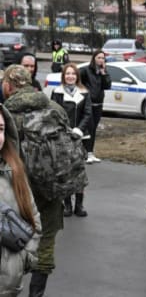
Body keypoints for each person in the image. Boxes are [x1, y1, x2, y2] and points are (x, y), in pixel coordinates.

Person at [2, 65, 70, 296]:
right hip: (52, 187)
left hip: (16, 188)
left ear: (9, 85)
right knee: (46, 243)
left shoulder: (7, 113)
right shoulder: (55, 108)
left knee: (10, 242)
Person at [0, 104, 42, 296]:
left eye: (0, 129)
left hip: (8, 287)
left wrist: (25, 258)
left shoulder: (14, 171)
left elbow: (33, 219)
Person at [51, 63, 92, 217]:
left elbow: (88, 114)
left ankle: (79, 205)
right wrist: (65, 131)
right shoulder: (57, 93)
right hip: (63, 137)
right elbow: (53, 114)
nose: (70, 76)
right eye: (67, 73)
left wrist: (79, 129)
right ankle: (67, 205)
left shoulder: (85, 93)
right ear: (63, 76)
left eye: (73, 74)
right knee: (65, 172)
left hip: (81, 137)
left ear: (77, 76)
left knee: (79, 171)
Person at [80, 50, 111, 164]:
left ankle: (90, 152)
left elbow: (107, 85)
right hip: (88, 104)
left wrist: (104, 73)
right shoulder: (86, 71)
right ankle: (86, 153)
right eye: (99, 57)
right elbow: (77, 81)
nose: (101, 60)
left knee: (93, 129)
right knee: (89, 128)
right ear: (94, 59)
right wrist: (84, 93)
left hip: (98, 104)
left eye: (103, 58)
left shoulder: (102, 72)